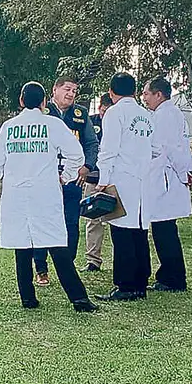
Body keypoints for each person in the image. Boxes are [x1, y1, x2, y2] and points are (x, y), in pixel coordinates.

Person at [0, 82, 97, 311]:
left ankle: (28, 298)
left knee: (22, 248)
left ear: (21, 101)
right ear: (44, 102)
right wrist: (67, 176)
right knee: (57, 245)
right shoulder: (52, 124)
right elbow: (77, 154)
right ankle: (79, 299)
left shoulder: (9, 127)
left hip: (16, 195)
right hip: (46, 194)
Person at [31, 76, 99, 287]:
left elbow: (91, 143)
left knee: (70, 224)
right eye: (67, 89)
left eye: (74, 91)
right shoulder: (42, 112)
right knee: (42, 222)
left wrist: (87, 166)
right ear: (55, 90)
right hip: (45, 180)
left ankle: (67, 269)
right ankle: (41, 269)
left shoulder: (80, 114)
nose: (71, 94)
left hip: (72, 181)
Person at [93, 72, 154, 302]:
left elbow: (108, 150)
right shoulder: (146, 115)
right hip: (144, 178)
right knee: (140, 230)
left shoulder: (114, 114)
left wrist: (103, 180)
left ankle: (125, 285)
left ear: (111, 92)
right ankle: (141, 283)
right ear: (135, 92)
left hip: (122, 178)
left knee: (121, 231)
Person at [142, 77, 192, 292]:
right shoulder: (166, 114)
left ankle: (172, 278)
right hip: (167, 175)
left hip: (167, 177)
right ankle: (170, 274)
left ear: (158, 95)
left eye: (146, 93)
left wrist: (183, 173)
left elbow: (169, 149)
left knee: (165, 230)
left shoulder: (165, 115)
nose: (144, 98)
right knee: (163, 229)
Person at [81, 93, 112, 272]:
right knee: (92, 219)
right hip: (93, 178)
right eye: (102, 111)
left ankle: (122, 260)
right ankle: (93, 260)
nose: (104, 115)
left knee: (118, 221)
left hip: (114, 180)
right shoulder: (91, 122)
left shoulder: (118, 122)